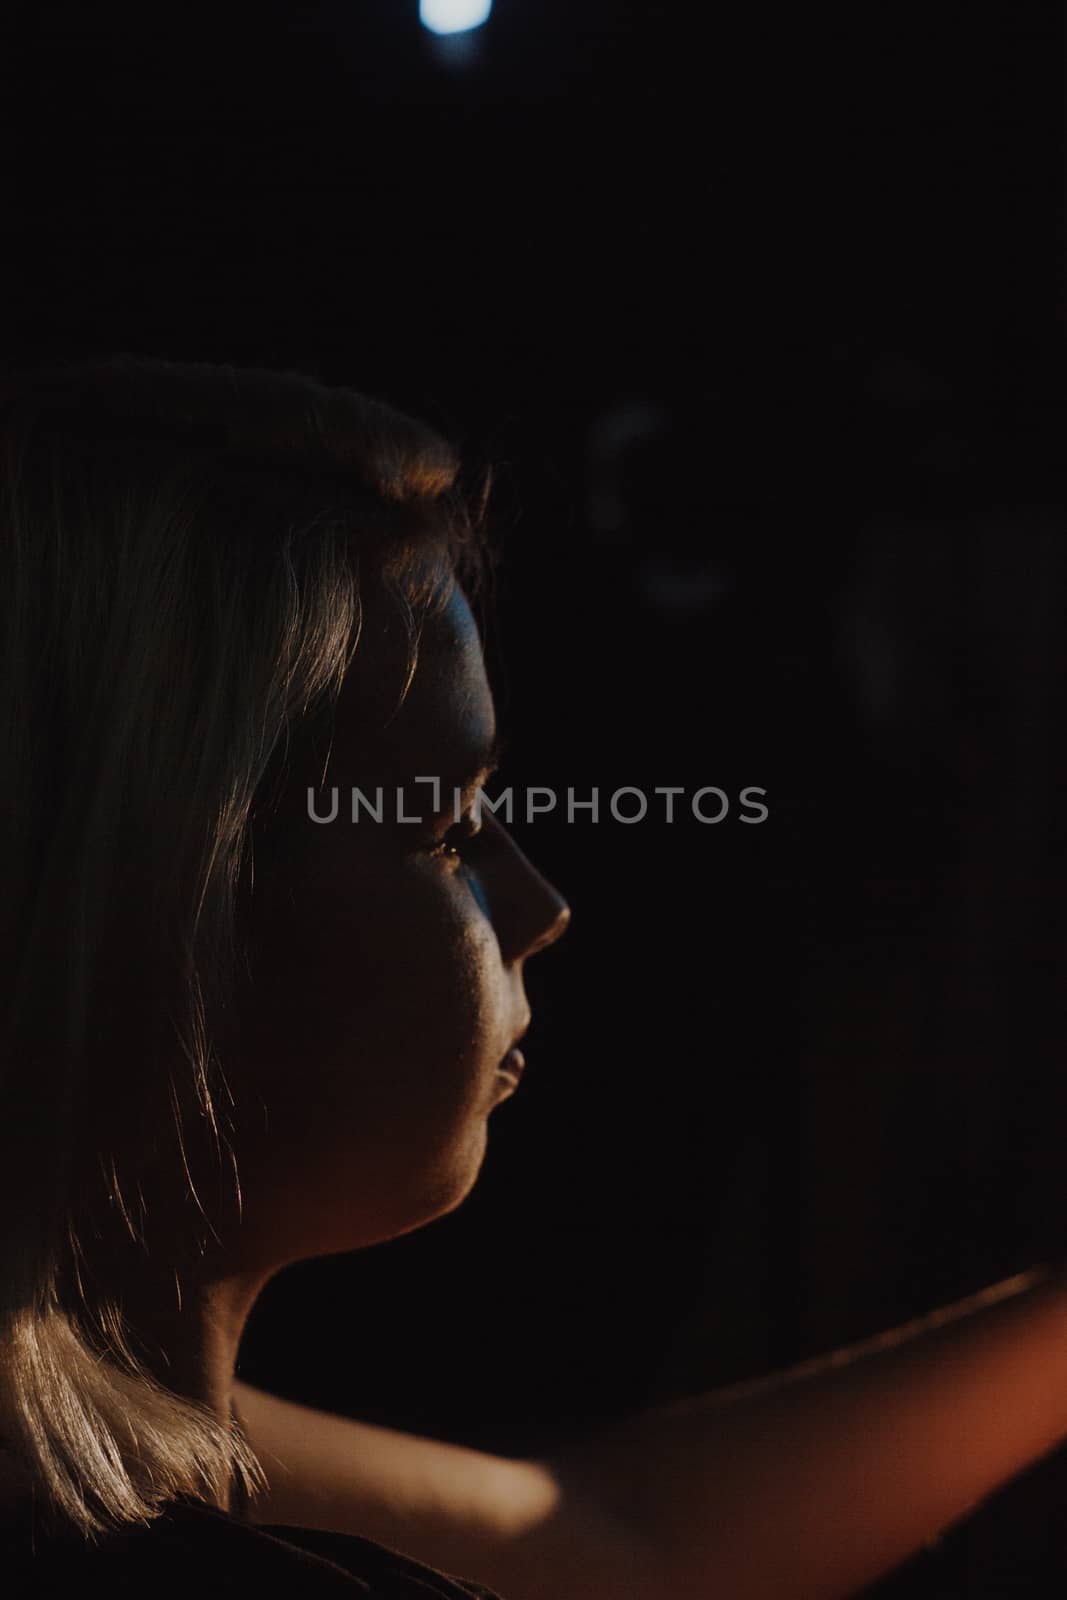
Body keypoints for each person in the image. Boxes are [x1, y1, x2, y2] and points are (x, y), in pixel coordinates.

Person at [2, 352, 1067, 1600]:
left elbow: (615, 1546)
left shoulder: (116, 1450)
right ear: (152, 891)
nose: (541, 908)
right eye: (446, 829)